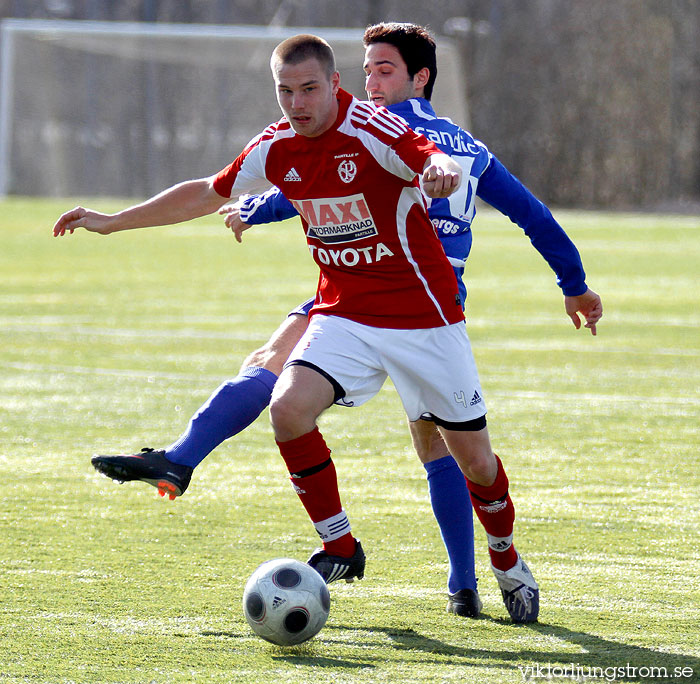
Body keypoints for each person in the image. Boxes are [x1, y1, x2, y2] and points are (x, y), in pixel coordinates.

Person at [52, 28, 602, 625]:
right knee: (287, 409)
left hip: (425, 320)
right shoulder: (276, 144)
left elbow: (426, 156)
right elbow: (206, 192)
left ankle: (505, 556)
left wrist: (441, 171)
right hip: (345, 311)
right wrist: (112, 221)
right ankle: (341, 547)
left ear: (334, 85)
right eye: (285, 91)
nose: (296, 103)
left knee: (477, 466)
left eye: (309, 88)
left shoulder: (376, 129)